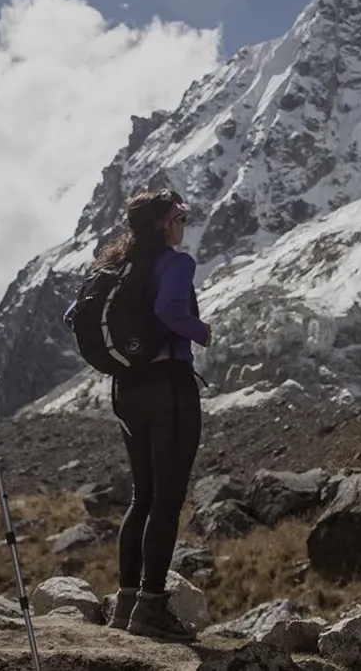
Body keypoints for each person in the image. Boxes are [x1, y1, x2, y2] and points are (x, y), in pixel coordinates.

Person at [97, 189, 210, 642]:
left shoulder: (117, 266)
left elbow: (73, 315)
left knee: (141, 498)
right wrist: (199, 331)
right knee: (167, 500)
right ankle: (151, 608)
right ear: (166, 223)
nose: (185, 224)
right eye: (181, 216)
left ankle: (125, 604)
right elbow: (169, 309)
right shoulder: (176, 263)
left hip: (126, 390)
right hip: (169, 388)